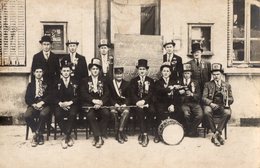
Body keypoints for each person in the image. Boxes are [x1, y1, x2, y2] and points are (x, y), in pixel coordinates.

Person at [80, 58, 110, 148]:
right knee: (90, 115)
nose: (95, 71)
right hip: (89, 103)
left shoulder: (104, 80)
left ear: (99, 70)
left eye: (97, 69)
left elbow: (107, 93)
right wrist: (93, 101)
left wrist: (101, 102)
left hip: (101, 103)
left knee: (106, 114)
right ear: (90, 70)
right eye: (93, 69)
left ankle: (97, 135)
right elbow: (83, 93)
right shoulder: (85, 80)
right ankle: (99, 137)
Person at [202, 63, 234, 146]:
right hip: (211, 105)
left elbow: (232, 99)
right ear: (212, 75)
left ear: (221, 74)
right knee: (206, 112)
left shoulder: (227, 85)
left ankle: (215, 135)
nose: (216, 76)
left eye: (218, 74)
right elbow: (203, 98)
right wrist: (211, 103)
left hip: (222, 105)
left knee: (227, 113)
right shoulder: (207, 84)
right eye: (214, 74)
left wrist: (226, 98)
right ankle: (217, 135)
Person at [130, 59, 155, 147]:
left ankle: (145, 132)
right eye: (140, 69)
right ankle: (143, 134)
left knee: (151, 111)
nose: (142, 71)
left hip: (147, 102)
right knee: (139, 112)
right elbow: (132, 94)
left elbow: (151, 93)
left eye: (144, 69)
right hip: (137, 103)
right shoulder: (133, 81)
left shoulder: (150, 80)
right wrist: (138, 102)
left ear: (146, 70)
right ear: (138, 70)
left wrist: (144, 101)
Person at [24, 65, 51, 147]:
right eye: (37, 72)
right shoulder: (31, 84)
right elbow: (27, 98)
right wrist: (33, 104)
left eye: (40, 72)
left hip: (45, 104)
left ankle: (37, 136)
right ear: (34, 73)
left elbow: (50, 96)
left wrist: (42, 102)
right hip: (34, 104)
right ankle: (38, 133)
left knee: (43, 114)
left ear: (42, 73)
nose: (39, 74)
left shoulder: (47, 83)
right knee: (27, 115)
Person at [53, 64, 79, 149]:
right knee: (58, 114)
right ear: (61, 72)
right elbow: (53, 96)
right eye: (64, 71)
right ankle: (68, 135)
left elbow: (78, 96)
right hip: (60, 104)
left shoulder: (75, 82)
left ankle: (66, 137)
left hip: (72, 104)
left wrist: (69, 103)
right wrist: (61, 104)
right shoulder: (56, 82)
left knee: (72, 114)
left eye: (68, 71)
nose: (66, 73)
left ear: (71, 71)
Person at [153, 62, 179, 143]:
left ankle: (174, 133)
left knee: (178, 111)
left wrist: (172, 105)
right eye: (164, 71)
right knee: (159, 112)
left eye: (167, 71)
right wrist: (170, 88)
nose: (166, 73)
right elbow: (159, 91)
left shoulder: (174, 81)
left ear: (170, 72)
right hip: (161, 103)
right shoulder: (158, 82)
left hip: (171, 103)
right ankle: (157, 134)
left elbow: (176, 95)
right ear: (161, 72)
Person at [178, 63, 203, 137]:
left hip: (194, 103)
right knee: (186, 114)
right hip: (184, 103)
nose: (186, 75)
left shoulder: (195, 82)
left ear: (191, 73)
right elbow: (175, 95)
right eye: (185, 73)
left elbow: (199, 95)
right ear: (182, 74)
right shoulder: (179, 82)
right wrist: (179, 93)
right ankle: (192, 131)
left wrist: (192, 94)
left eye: (188, 73)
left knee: (200, 115)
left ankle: (191, 130)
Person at [108, 67, 130, 144]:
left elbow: (129, 97)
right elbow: (109, 96)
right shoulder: (110, 83)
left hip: (124, 104)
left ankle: (120, 132)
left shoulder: (127, 83)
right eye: (117, 74)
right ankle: (118, 134)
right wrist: (115, 104)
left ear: (122, 74)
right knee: (113, 112)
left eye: (120, 74)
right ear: (114, 74)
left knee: (126, 112)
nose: (118, 76)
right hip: (113, 104)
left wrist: (125, 104)